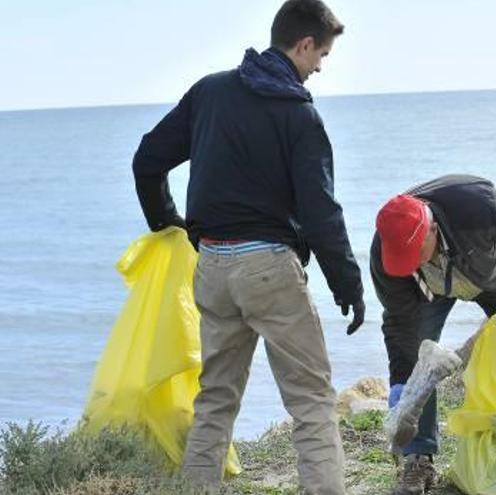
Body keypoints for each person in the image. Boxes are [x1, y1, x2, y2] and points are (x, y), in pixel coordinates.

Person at [131, 1, 363, 492]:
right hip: (270, 270)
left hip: (212, 265)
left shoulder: (210, 92)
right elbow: (322, 212)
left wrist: (168, 223)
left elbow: (147, 160)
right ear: (303, 45)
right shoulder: (300, 116)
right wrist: (348, 284)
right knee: (311, 402)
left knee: (214, 399)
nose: (319, 67)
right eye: (320, 54)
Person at [371, 174, 496, 495]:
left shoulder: (475, 206)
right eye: (401, 259)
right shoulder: (386, 253)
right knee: (415, 366)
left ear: (432, 230)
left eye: (413, 254)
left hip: (492, 274)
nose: (407, 262)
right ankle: (418, 460)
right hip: (431, 288)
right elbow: (399, 322)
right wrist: (401, 380)